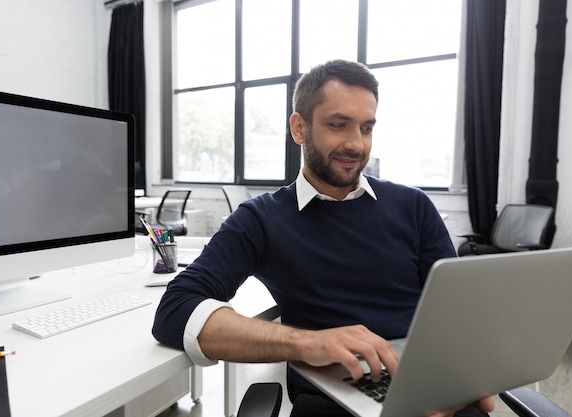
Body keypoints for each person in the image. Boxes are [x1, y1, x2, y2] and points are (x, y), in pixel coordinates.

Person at [152, 59, 494, 417]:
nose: (356, 144)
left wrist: (455, 380)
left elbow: (456, 318)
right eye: (338, 125)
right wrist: (308, 343)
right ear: (299, 128)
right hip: (330, 403)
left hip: (422, 389)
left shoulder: (414, 206)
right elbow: (176, 311)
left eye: (366, 128)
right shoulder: (261, 218)